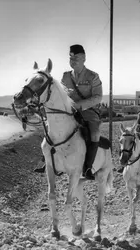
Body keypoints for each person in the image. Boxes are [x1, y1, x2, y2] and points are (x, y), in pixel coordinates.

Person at [34, 44, 103, 181]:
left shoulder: (93, 76)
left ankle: (87, 167)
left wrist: (79, 105)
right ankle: (46, 160)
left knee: (94, 133)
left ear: (84, 58)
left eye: (76, 57)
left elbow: (97, 97)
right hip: (68, 111)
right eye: (70, 57)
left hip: (88, 112)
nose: (72, 60)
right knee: (51, 127)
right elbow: (59, 94)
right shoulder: (66, 76)